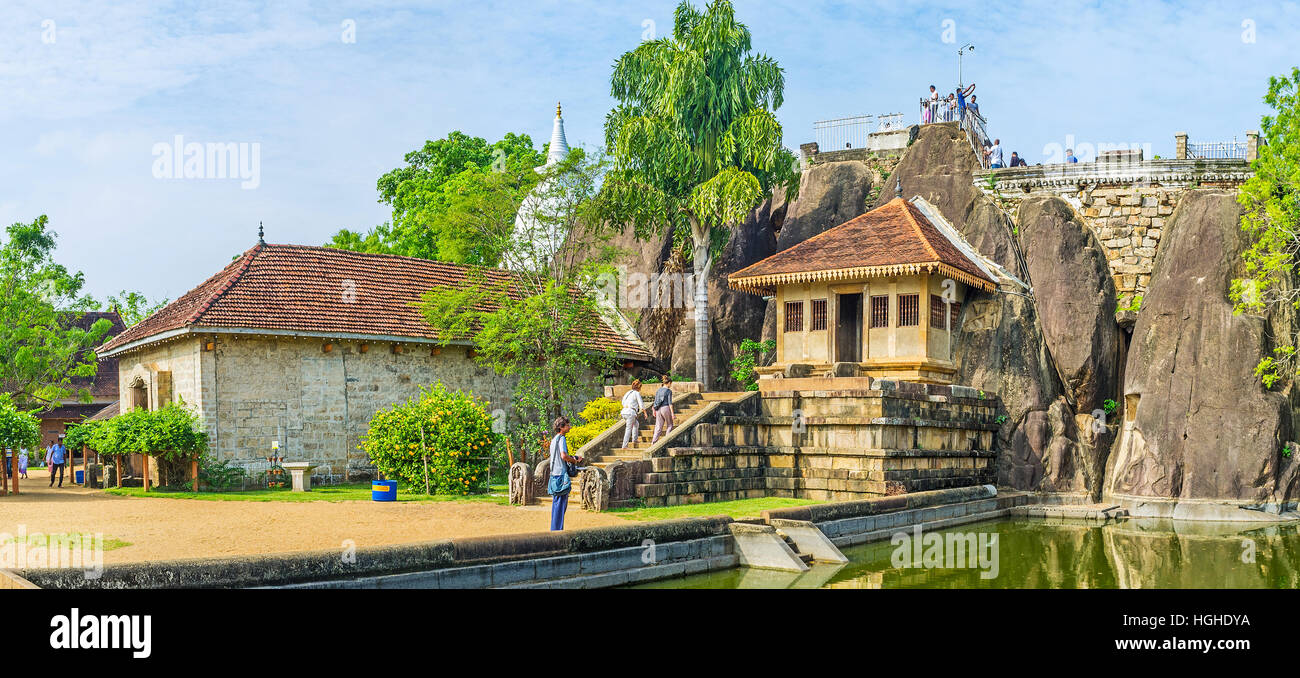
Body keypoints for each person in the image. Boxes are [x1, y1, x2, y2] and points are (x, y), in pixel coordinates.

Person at [547, 416, 583, 531]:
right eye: (567, 425)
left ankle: (555, 528)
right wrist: (574, 460)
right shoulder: (562, 438)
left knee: (556, 504)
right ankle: (557, 531)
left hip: (554, 474)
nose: (570, 427)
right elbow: (563, 455)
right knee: (561, 504)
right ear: (561, 427)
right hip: (560, 475)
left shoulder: (554, 440)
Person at [650, 375, 676, 444]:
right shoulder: (668, 391)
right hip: (665, 408)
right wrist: (672, 414)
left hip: (658, 409)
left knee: (658, 427)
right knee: (670, 425)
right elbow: (670, 403)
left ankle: (653, 442)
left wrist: (654, 410)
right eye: (671, 384)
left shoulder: (658, 390)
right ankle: (666, 442)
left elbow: (655, 401)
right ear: (669, 383)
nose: (671, 385)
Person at [619, 379, 645, 448]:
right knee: (628, 428)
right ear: (639, 387)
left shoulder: (628, 393)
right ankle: (624, 446)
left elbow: (623, 402)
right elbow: (641, 404)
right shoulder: (636, 393)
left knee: (636, 424)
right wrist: (645, 412)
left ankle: (635, 439)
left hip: (624, 412)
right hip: (630, 412)